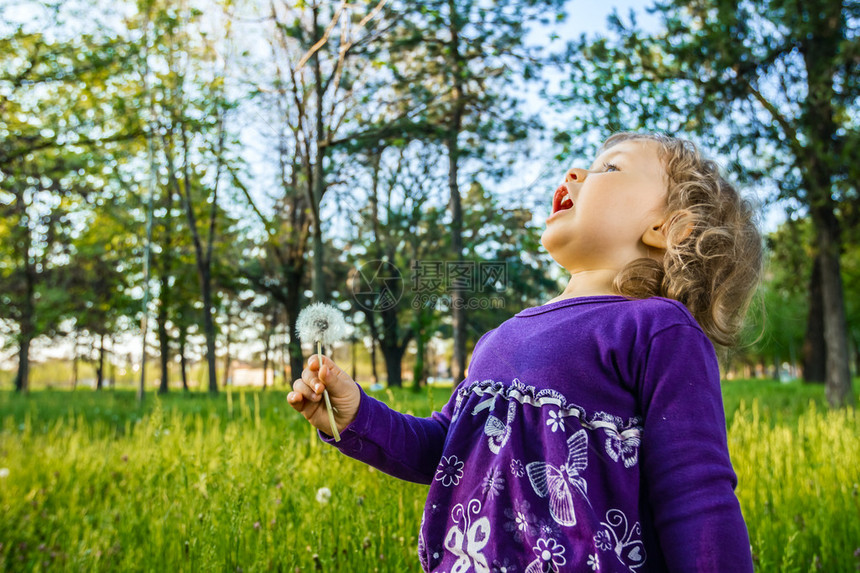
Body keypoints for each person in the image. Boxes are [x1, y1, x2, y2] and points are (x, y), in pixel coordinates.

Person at [288, 132, 762, 572]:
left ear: (668, 227)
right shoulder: (499, 338)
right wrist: (355, 416)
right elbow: (446, 449)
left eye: (610, 168)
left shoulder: (658, 329)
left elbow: (696, 496)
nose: (574, 173)